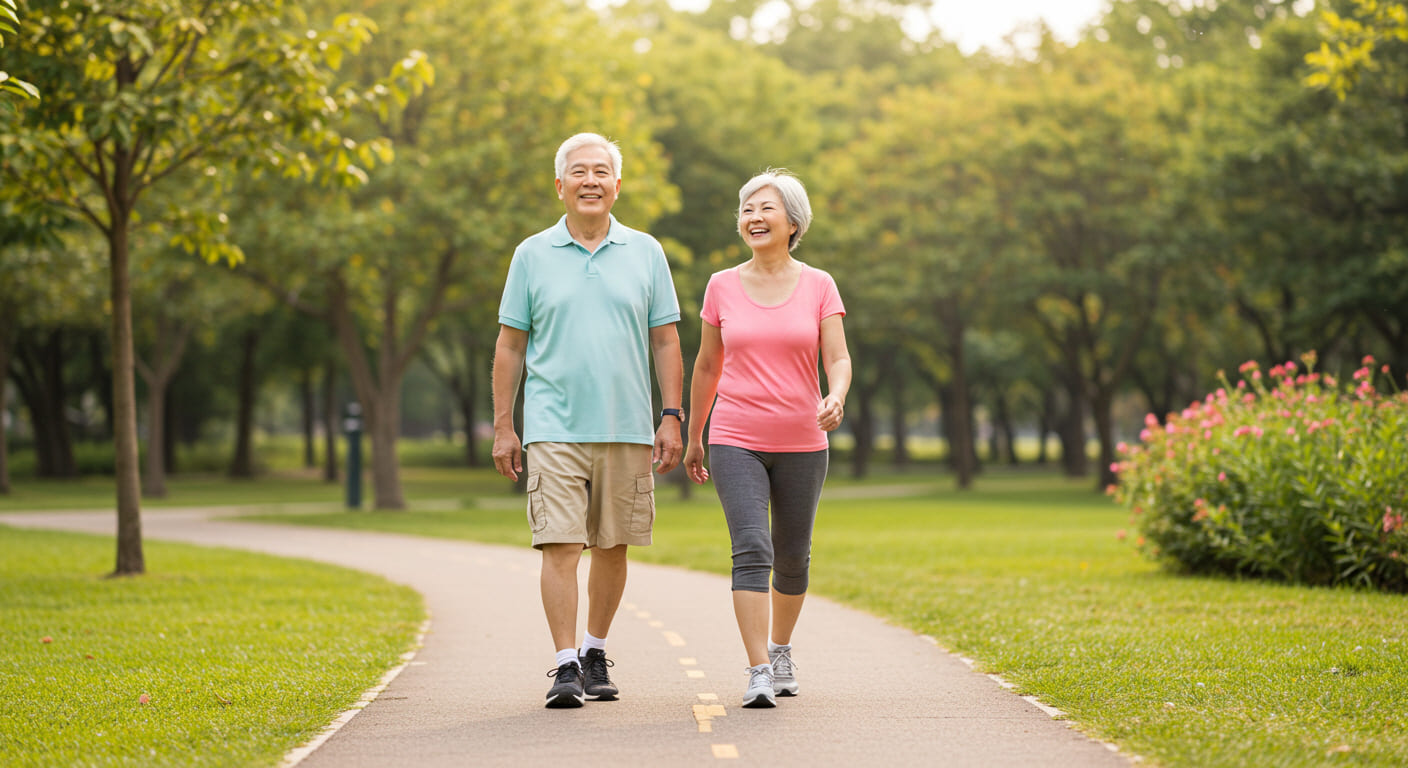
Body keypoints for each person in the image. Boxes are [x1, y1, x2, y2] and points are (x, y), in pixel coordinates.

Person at [492, 132, 684, 709]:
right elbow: (509, 346)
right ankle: (564, 665)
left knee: (614, 545)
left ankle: (595, 650)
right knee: (560, 544)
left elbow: (666, 340)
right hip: (553, 426)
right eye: (579, 172)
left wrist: (671, 415)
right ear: (560, 185)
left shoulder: (647, 251)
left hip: (627, 426)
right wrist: (506, 424)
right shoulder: (531, 254)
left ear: (617, 185)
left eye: (602, 171)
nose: (591, 180)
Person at [682, 169, 852, 709]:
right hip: (736, 437)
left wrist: (837, 394)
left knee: (794, 557)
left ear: (793, 221)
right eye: (747, 209)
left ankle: (780, 649)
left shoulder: (820, 284)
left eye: (766, 208)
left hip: (804, 439)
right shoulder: (721, 286)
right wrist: (694, 435)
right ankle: (758, 668)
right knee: (751, 549)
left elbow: (838, 358)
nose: (753, 217)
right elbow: (707, 365)